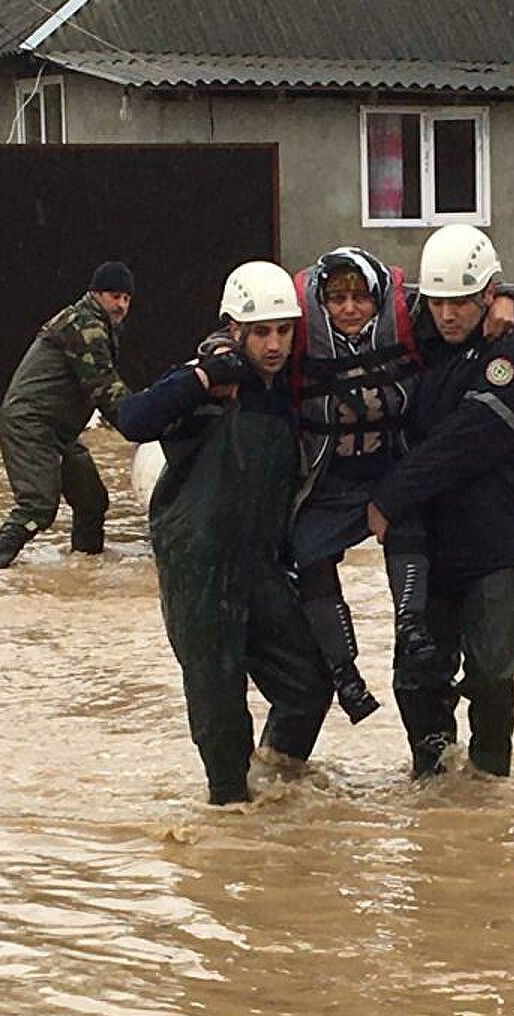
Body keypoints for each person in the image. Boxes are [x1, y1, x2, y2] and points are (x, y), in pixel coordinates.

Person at [112, 261, 333, 805]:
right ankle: (231, 811)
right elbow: (132, 420)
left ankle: (278, 782)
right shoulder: (206, 385)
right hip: (199, 566)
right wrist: (202, 377)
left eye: (285, 331)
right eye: (261, 333)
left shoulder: (290, 389)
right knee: (218, 699)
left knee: (309, 683)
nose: (276, 345)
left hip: (259, 564)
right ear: (235, 331)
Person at [281, 246, 514, 725]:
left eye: (360, 298)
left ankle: (410, 623)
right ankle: (343, 672)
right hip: (328, 482)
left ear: (377, 298)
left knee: (407, 526)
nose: (350, 309)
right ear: (321, 301)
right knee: (308, 553)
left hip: (391, 475)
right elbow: (240, 334)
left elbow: (463, 296)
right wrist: (216, 357)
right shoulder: (294, 328)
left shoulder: (412, 318)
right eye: (337, 299)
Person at [367, 225, 514, 779]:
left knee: (493, 674)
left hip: (496, 546)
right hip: (424, 545)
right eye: (439, 302)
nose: (448, 316)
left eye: (462, 303)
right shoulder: (415, 337)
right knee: (417, 675)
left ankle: (490, 779)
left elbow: (464, 442)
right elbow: (339, 303)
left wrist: (389, 498)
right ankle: (435, 784)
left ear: (487, 293)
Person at [0, 261, 134, 569]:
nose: (121, 305)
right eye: (115, 296)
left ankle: (86, 568)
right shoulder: (86, 326)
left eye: (126, 299)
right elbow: (106, 389)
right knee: (37, 507)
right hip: (31, 424)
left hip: (58, 430)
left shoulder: (98, 324)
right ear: (96, 294)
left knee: (92, 502)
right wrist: (145, 424)